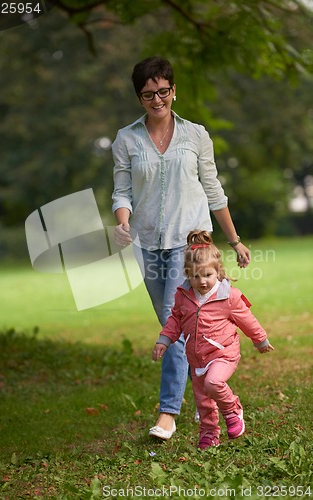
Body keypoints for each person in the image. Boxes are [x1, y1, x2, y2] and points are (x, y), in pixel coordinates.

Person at [111, 56, 251, 440]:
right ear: (139, 98)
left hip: (189, 242)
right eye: (147, 94)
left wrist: (234, 240)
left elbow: (213, 189)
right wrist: (122, 222)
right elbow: (121, 190)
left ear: (174, 90)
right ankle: (210, 395)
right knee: (177, 327)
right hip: (145, 241)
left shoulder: (196, 135)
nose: (157, 100)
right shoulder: (126, 139)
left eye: (163, 91)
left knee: (175, 321)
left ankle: (168, 413)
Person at [152, 230, 274, 449]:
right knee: (204, 400)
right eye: (195, 276)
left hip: (223, 354)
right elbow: (175, 320)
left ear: (218, 271)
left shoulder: (229, 296)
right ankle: (209, 434)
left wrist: (260, 340)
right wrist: (164, 340)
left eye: (207, 275)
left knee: (213, 383)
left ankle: (233, 409)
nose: (202, 281)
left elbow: (247, 319)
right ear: (187, 275)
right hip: (197, 358)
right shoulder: (183, 295)